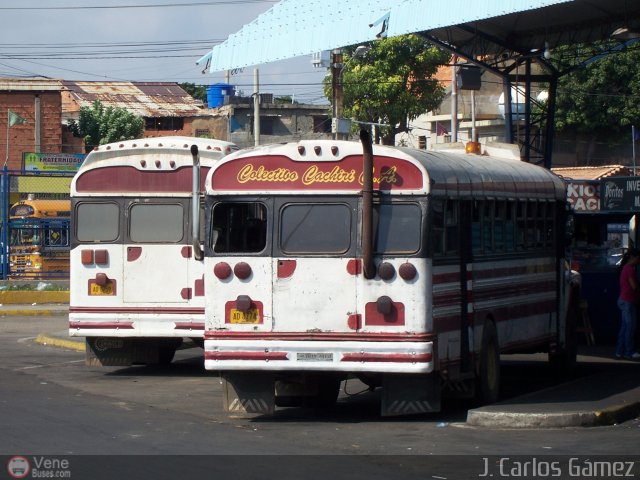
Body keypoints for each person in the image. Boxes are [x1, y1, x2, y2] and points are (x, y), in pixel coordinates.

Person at [616, 248, 640, 360]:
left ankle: (619, 351)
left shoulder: (625, 268)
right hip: (628, 301)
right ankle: (628, 352)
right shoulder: (630, 269)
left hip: (624, 300)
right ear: (633, 258)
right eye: (638, 259)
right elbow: (633, 286)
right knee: (630, 327)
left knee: (625, 327)